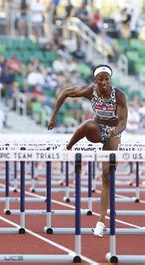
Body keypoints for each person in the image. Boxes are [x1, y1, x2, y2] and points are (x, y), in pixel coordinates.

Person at [47, 64, 128, 237]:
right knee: (87, 124)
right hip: (97, 130)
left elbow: (123, 122)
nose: (104, 82)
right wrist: (53, 116)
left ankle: (101, 221)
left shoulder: (119, 96)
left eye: (107, 79)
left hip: (113, 134)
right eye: (101, 79)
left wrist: (117, 131)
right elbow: (65, 93)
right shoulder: (90, 91)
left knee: (107, 176)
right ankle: (67, 148)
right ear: (95, 80)